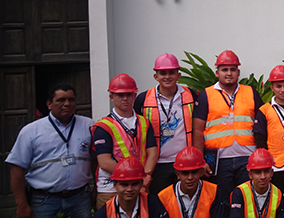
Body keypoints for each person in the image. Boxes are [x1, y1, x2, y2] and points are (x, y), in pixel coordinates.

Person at [5, 83, 94, 218]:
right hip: (44, 201)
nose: (66, 104)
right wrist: (21, 203)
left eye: (71, 99)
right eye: (60, 100)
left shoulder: (88, 125)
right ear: (49, 104)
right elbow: (17, 169)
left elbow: (96, 160)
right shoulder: (31, 131)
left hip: (79, 198)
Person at [192, 50, 264, 207]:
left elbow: (263, 124)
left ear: (238, 72)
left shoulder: (251, 92)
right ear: (217, 72)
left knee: (247, 202)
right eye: (225, 69)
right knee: (222, 203)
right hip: (218, 161)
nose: (229, 73)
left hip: (247, 158)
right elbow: (197, 130)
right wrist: (200, 160)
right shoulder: (206, 95)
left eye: (232, 69)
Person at [135, 53, 197, 194]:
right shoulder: (143, 99)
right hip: (158, 164)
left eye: (171, 73)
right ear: (155, 76)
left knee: (184, 203)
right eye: (163, 73)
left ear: (178, 75)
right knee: (161, 204)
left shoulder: (191, 95)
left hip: (185, 162)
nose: (167, 76)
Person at [93, 74, 159, 207]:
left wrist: (144, 178)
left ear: (135, 96)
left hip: (139, 186)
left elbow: (153, 152)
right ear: (111, 97)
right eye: (120, 95)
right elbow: (104, 162)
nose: (125, 98)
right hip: (111, 189)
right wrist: (137, 178)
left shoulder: (144, 122)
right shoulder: (103, 126)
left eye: (129, 94)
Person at [254, 65, 284, 192]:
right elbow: (260, 139)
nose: (282, 90)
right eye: (278, 86)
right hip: (277, 166)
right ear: (272, 88)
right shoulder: (264, 110)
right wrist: (266, 166)